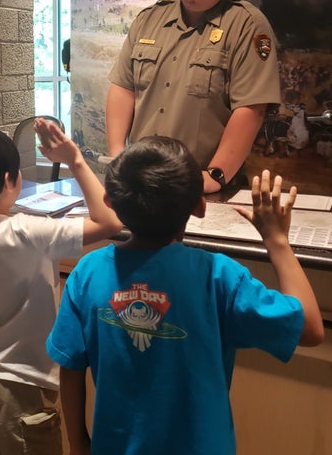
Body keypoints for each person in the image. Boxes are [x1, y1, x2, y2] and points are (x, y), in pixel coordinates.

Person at [46, 135, 324, 455]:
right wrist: (277, 240)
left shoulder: (87, 273)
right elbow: (310, 329)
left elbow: (69, 367)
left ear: (110, 201)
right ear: (199, 205)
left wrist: (79, 444)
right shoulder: (219, 277)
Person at [0, 118, 122, 455]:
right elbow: (109, 221)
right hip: (26, 385)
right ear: (11, 180)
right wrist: (74, 159)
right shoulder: (28, 231)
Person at [106, 0, 281, 193]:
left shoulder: (246, 25)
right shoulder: (148, 20)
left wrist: (215, 176)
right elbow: (123, 87)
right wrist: (117, 154)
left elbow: (251, 108)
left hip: (200, 187)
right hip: (141, 182)